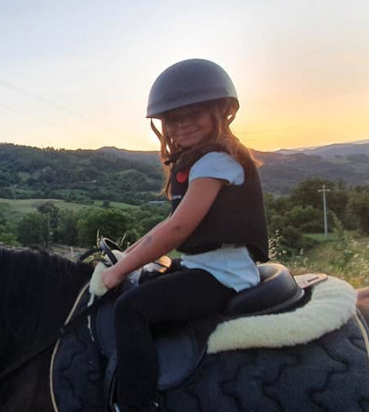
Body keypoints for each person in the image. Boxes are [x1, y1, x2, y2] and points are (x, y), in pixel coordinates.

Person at [93, 58, 270, 411]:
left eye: (195, 113)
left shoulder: (216, 161)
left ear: (220, 111)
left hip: (224, 276)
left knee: (132, 308)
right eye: (173, 118)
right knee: (142, 285)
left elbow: (177, 228)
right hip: (204, 267)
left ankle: (135, 404)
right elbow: (172, 230)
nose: (182, 124)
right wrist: (129, 257)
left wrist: (118, 270)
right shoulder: (199, 160)